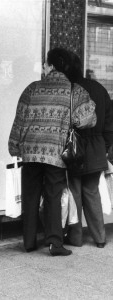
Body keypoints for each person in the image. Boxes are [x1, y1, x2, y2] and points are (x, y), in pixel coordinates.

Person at [8, 47, 97, 256]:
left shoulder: (31, 89)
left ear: (52, 66)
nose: (43, 67)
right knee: (53, 196)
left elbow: (19, 121)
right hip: (56, 154)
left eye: (45, 64)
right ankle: (54, 243)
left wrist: (14, 146)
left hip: (30, 152)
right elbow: (87, 119)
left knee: (30, 196)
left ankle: (29, 242)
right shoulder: (74, 90)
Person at [64, 51, 113, 248]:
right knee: (92, 191)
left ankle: (75, 238)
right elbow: (110, 123)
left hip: (75, 147)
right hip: (96, 147)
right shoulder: (99, 89)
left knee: (74, 191)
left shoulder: (69, 89)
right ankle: (100, 237)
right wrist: (106, 147)